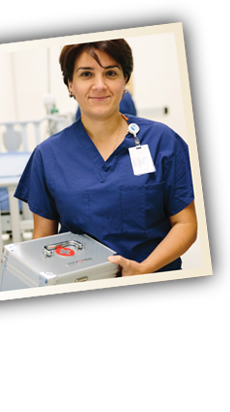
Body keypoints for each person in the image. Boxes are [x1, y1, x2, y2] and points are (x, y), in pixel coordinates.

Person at [14, 40, 197, 276]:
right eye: (86, 74)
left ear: (125, 80)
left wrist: (143, 269)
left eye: (110, 73)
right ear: (70, 84)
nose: (99, 85)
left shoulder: (163, 141)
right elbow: (43, 242)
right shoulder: (47, 156)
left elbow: (186, 224)